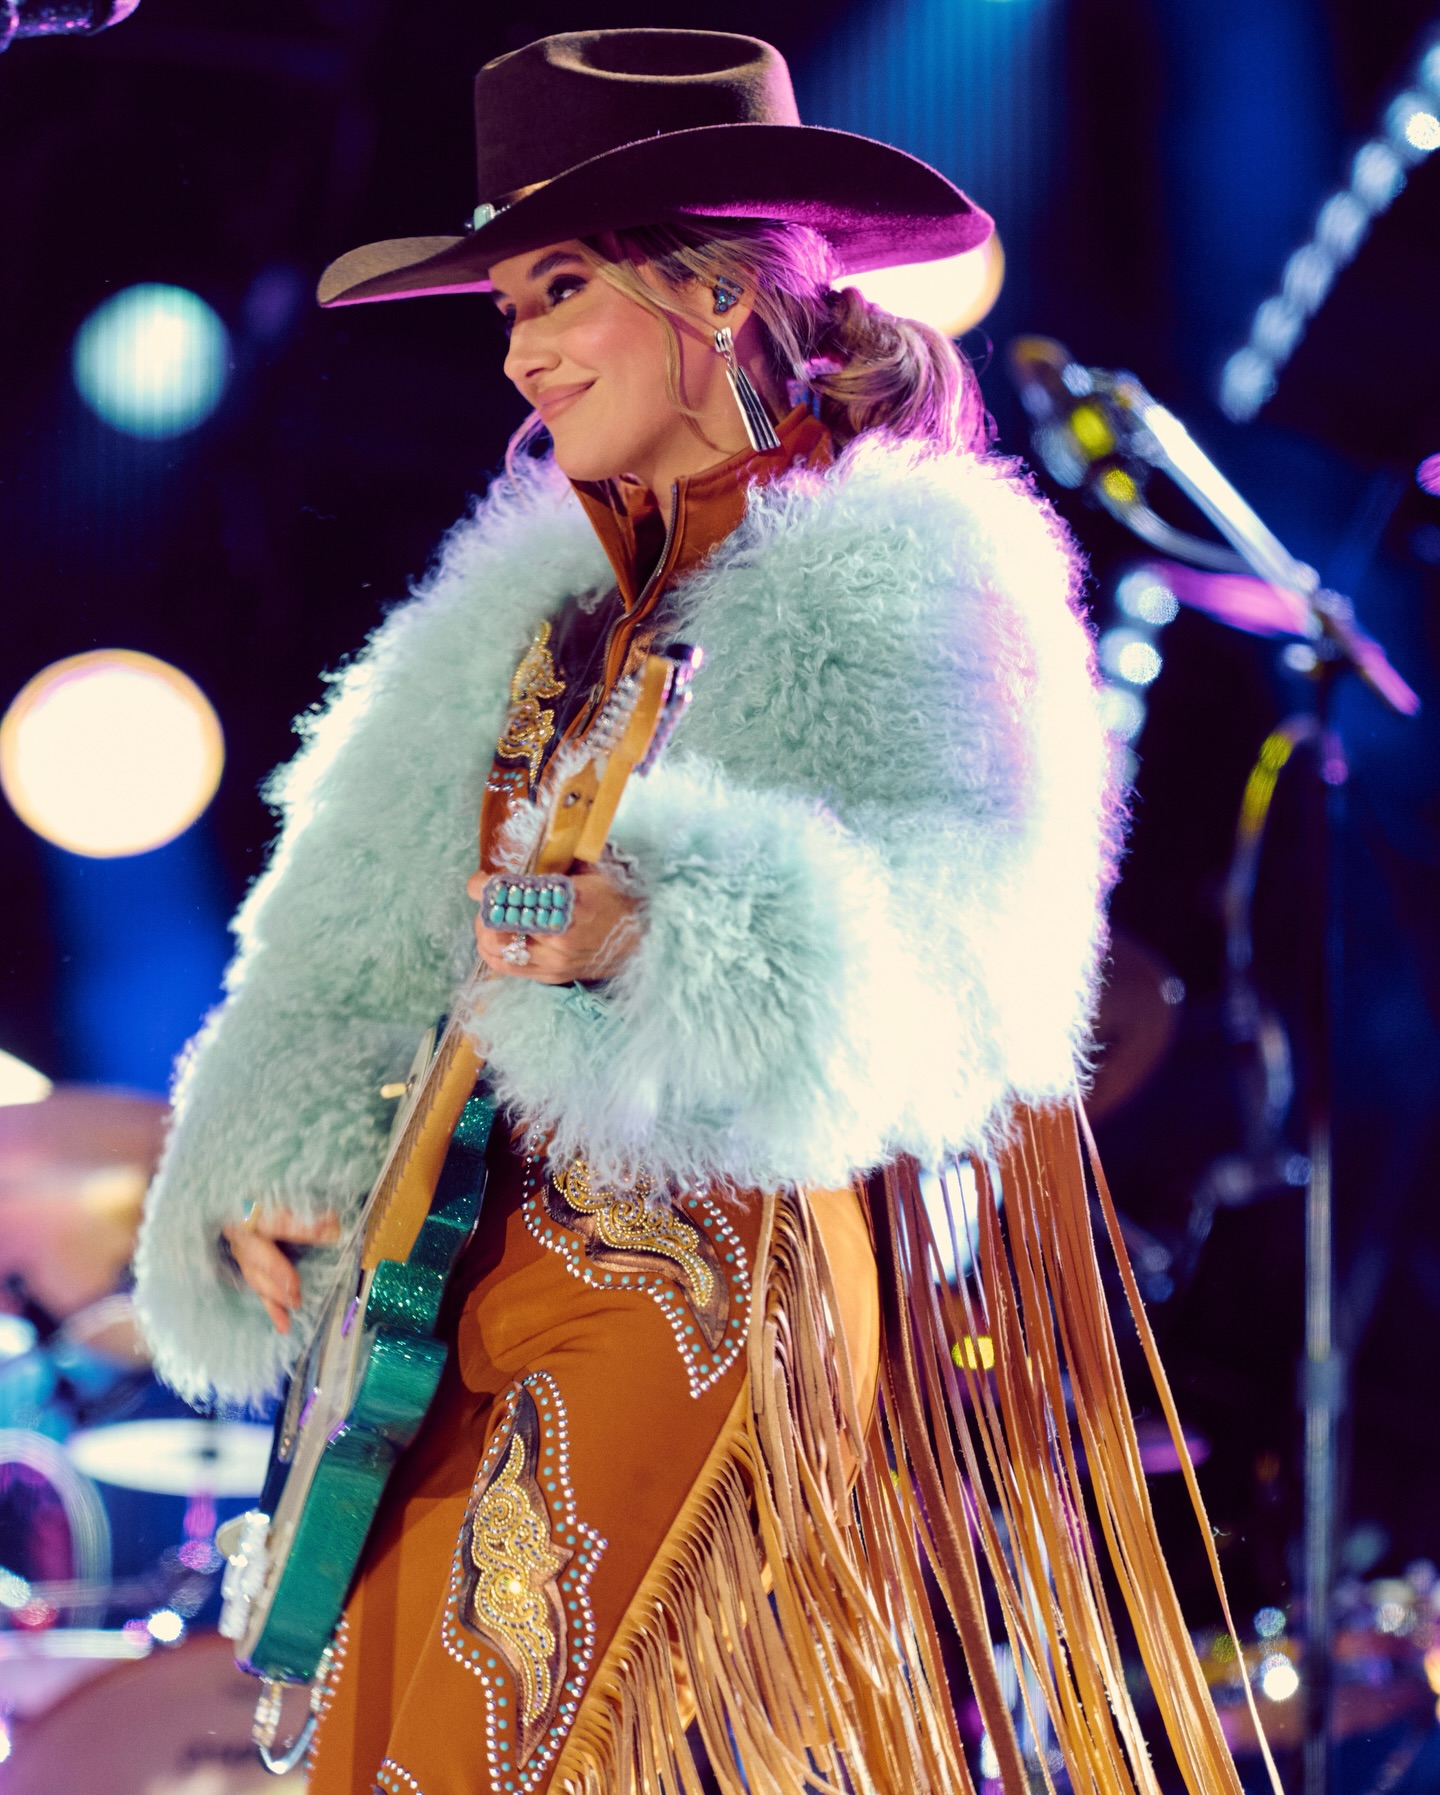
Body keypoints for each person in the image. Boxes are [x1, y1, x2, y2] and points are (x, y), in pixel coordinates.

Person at [134, 29, 1253, 1795]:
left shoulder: (912, 575)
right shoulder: (512, 618)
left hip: (700, 1274)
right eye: (510, 303)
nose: (520, 349)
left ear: (717, 292)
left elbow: (965, 965)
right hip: (439, 1301)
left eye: (560, 289)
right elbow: (354, 954)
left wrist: (664, 928)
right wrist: (285, 1150)